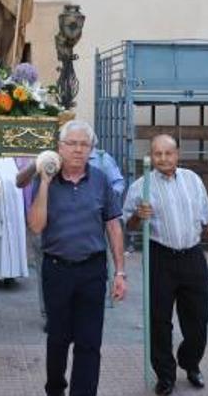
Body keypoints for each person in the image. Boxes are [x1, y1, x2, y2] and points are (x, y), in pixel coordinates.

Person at [27, 120, 127, 396]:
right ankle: (55, 389)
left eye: (84, 145)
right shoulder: (44, 179)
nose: (78, 150)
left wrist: (120, 272)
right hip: (57, 270)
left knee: (90, 341)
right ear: (60, 147)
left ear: (91, 149)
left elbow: (113, 225)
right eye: (72, 144)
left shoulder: (100, 179)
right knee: (58, 338)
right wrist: (46, 183)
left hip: (92, 270)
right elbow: (35, 226)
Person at [122, 134, 208, 396]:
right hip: (160, 257)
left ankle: (190, 363)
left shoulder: (192, 180)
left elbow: (206, 215)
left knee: (198, 319)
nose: (163, 159)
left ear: (177, 154)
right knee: (159, 320)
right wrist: (137, 216)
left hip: (192, 255)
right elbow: (128, 227)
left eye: (168, 153)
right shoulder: (141, 187)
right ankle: (165, 375)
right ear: (151, 156)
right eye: (158, 154)